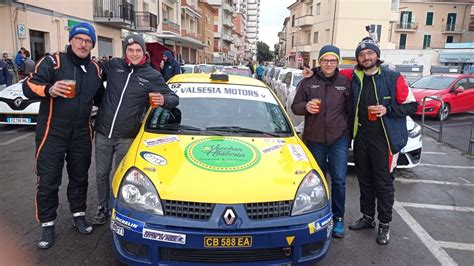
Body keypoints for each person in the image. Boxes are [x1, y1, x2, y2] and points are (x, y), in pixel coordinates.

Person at [22, 22, 105, 249]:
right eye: (79, 39)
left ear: (92, 45)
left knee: (79, 177)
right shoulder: (53, 61)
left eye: (88, 41)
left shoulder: (96, 70)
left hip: (81, 132)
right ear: (71, 40)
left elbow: (101, 98)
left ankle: (78, 214)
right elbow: (28, 87)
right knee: (48, 180)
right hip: (52, 132)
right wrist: (49, 89)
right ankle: (48, 224)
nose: (83, 44)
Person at [92, 34, 179, 225]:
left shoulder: (152, 75)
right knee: (101, 174)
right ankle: (102, 207)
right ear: (125, 51)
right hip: (103, 132)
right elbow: (92, 72)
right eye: (130, 50)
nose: (134, 54)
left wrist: (164, 100)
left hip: (128, 136)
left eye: (138, 50)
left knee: (120, 176)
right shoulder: (114, 66)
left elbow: (173, 98)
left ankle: (117, 209)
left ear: (144, 52)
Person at [346, 37, 417, 244]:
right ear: (358, 58)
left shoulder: (393, 77)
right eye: (362, 54)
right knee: (365, 180)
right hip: (361, 138)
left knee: (384, 184)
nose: (366, 57)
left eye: (370, 53)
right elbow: (329, 71)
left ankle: (385, 225)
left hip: (384, 140)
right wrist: (311, 72)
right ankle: (368, 217)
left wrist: (388, 109)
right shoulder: (355, 77)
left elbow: (412, 106)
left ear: (377, 55)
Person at [291, 45, 351, 238]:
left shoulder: (345, 82)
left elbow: (350, 112)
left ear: (337, 62)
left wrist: (347, 136)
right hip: (314, 138)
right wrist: (306, 106)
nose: (329, 64)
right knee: (317, 182)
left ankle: (339, 218)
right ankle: (317, 218)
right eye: (325, 60)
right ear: (320, 61)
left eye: (333, 60)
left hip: (338, 139)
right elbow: (295, 107)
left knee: (339, 181)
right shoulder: (308, 82)